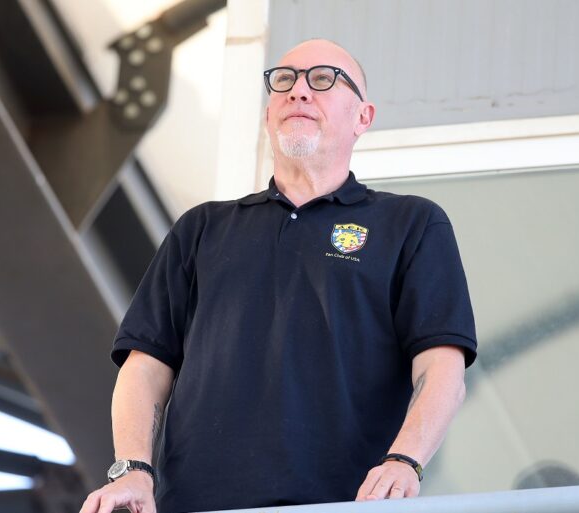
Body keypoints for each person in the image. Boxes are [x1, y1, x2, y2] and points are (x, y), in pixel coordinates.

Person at [80, 39, 477, 513]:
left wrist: (405, 460)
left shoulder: (410, 224)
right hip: (199, 505)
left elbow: (442, 367)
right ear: (269, 114)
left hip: (344, 505)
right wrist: (133, 469)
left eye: (324, 79)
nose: (299, 91)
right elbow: (145, 364)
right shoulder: (202, 228)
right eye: (284, 80)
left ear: (363, 117)